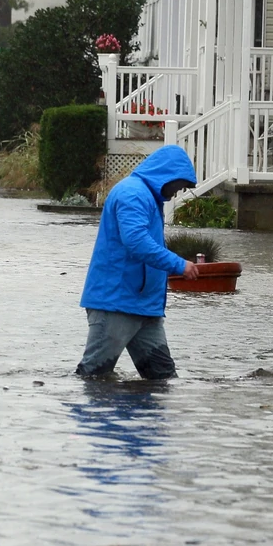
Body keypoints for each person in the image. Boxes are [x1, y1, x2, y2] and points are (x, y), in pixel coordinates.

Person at [76, 144, 200, 380]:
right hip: (116, 303)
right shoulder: (132, 194)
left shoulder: (148, 197)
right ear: (168, 175)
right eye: (180, 185)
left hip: (144, 307)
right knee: (93, 376)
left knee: (162, 380)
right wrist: (179, 265)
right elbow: (136, 242)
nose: (178, 192)